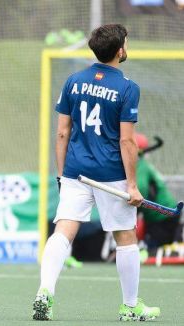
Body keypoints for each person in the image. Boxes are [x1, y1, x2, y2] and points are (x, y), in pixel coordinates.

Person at [32, 24, 160, 321]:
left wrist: (63, 175)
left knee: (63, 231)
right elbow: (127, 140)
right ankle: (130, 307)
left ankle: (44, 292)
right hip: (111, 174)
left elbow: (62, 133)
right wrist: (132, 185)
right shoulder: (128, 87)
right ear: (120, 50)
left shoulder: (74, 81)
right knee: (126, 237)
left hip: (76, 171)